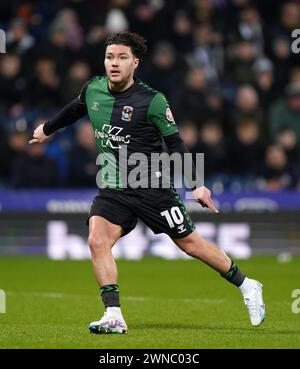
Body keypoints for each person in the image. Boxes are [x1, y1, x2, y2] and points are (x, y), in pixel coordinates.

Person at [29, 32, 265, 334]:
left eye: (122, 57)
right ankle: (113, 314)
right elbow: (75, 109)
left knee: (192, 245)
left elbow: (176, 144)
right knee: (96, 240)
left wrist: (196, 185)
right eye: (110, 57)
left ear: (135, 63)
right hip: (113, 186)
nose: (114, 63)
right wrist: (47, 129)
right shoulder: (93, 89)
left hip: (152, 187)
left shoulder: (153, 100)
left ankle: (247, 285)